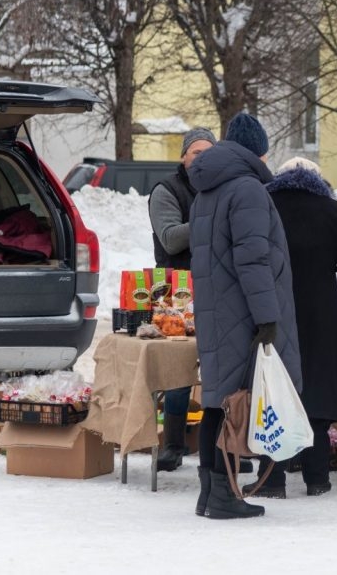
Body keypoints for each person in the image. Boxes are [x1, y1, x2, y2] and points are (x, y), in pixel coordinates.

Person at [188, 112, 302, 519]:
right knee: (235, 404)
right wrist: (267, 317)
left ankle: (211, 493)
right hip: (244, 311)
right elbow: (253, 260)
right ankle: (225, 496)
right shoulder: (247, 190)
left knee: (219, 404)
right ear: (259, 150)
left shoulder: (207, 191)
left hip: (217, 311)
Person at [246, 157, 337, 498]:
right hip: (321, 315)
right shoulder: (334, 211)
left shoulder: (266, 207)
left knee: (275, 389)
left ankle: (272, 478)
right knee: (317, 387)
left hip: (274, 311)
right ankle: (318, 476)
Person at [148, 127, 215, 473]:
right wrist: (212, 219)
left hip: (218, 286)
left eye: (208, 152)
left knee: (220, 367)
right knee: (178, 369)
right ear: (183, 157)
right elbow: (172, 239)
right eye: (195, 152)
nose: (201, 157)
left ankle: (222, 446)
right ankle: (173, 445)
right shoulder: (166, 191)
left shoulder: (221, 187)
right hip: (176, 289)